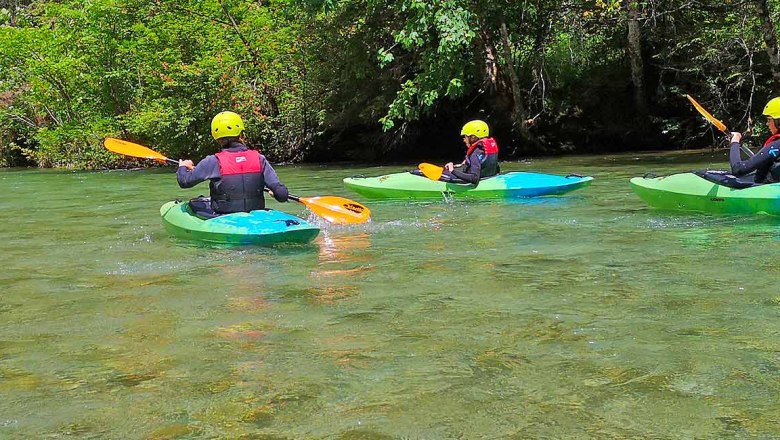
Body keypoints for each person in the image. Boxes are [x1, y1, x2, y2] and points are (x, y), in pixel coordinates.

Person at [177, 111, 289, 216]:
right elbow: (282, 195)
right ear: (242, 134)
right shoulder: (259, 159)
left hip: (224, 218)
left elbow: (184, 181)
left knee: (195, 203)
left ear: (217, 138)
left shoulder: (212, 161)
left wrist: (182, 167)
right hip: (256, 218)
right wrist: (276, 193)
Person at [729, 97, 780, 183]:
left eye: (769, 120)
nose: (767, 124)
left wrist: (735, 142)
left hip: (766, 190)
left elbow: (738, 169)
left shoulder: (776, 145)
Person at [442, 119, 500, 184]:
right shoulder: (486, 149)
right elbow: (495, 168)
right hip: (487, 178)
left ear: (473, 137)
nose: (464, 140)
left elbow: (474, 178)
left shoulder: (475, 154)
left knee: (443, 173)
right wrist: (461, 165)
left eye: (465, 137)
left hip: (474, 181)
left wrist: (452, 170)